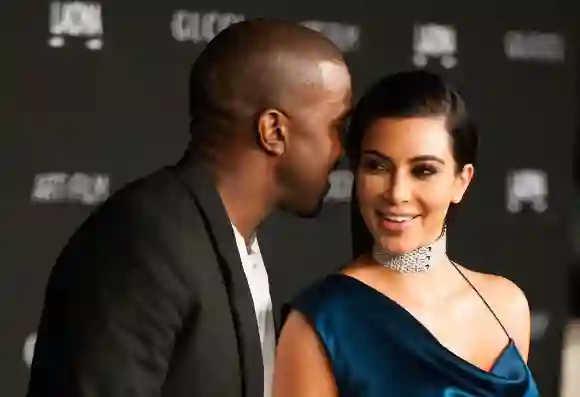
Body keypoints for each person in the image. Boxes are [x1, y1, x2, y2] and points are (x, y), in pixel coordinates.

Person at [27, 19, 351, 397]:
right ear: (274, 132)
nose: (341, 151)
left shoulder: (224, 238)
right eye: (337, 128)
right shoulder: (144, 242)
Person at [273, 70, 539, 396]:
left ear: (461, 181)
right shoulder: (319, 323)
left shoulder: (506, 304)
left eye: (423, 170)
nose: (397, 193)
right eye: (377, 166)